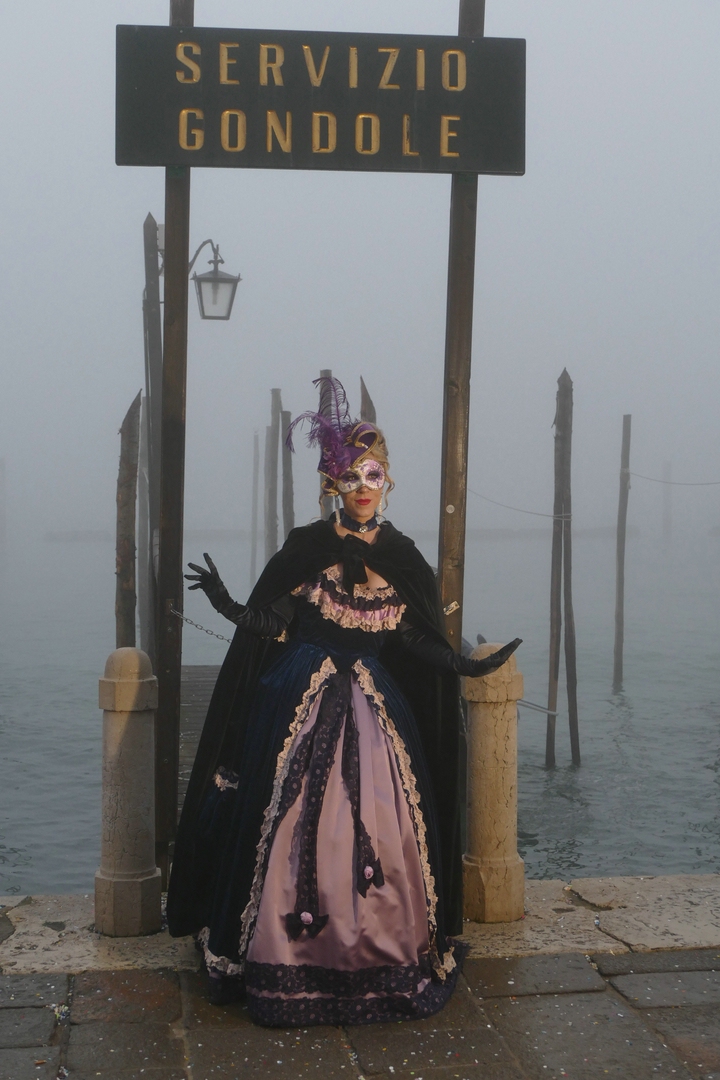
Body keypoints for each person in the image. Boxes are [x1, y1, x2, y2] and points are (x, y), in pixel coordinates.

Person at [167, 377, 521, 1027]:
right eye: (352, 477)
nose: (364, 487)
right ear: (334, 484)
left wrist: (467, 665)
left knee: (384, 823)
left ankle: (377, 951)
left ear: (387, 482)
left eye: (374, 475)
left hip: (376, 706)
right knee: (293, 818)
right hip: (299, 697)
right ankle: (286, 954)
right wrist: (222, 601)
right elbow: (268, 623)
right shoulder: (308, 548)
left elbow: (415, 640)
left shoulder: (402, 557)